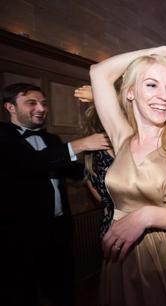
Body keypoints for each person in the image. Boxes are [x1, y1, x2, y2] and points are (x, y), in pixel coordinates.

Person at [89, 46, 166, 306]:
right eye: (151, 85)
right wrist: (158, 51)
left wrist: (146, 217)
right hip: (120, 259)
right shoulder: (121, 137)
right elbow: (98, 73)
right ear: (131, 92)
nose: (164, 96)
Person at [0, 83, 110, 306]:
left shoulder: (52, 140)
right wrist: (80, 144)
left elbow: (73, 171)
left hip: (58, 230)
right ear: (10, 107)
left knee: (63, 289)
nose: (41, 108)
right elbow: (29, 164)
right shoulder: (3, 136)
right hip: (20, 235)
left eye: (43, 103)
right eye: (31, 103)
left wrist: (104, 175)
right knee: (22, 293)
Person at [75, 85, 115, 237]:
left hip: (112, 228)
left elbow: (102, 201)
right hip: (116, 231)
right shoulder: (93, 158)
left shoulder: (90, 157)